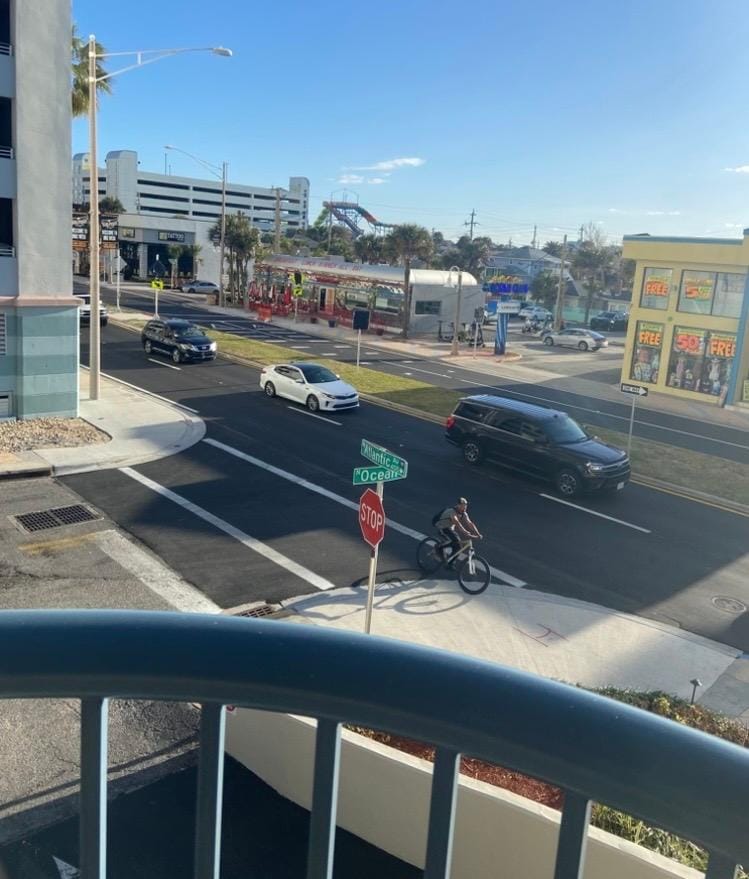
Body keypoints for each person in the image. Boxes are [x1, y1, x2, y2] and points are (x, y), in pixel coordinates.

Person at [434, 498, 482, 565]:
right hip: (442, 527)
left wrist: (478, 533)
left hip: (449, 528)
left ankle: (449, 563)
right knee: (455, 541)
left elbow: (470, 523)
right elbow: (457, 524)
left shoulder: (464, 513)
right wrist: (466, 533)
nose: (465, 507)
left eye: (466, 505)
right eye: (463, 505)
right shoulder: (452, 512)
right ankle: (439, 548)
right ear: (458, 505)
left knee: (459, 547)